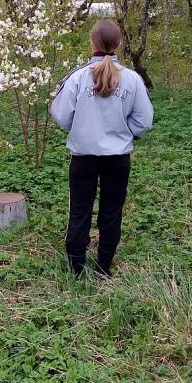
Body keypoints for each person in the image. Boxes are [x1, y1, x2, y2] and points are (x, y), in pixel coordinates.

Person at [50, 19, 153, 278]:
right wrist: (124, 132)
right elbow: (144, 122)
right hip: (117, 159)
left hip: (83, 158)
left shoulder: (77, 78)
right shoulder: (132, 79)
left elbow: (61, 115)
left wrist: (83, 126)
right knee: (111, 211)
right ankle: (103, 268)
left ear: (92, 42)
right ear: (118, 43)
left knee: (80, 211)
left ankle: (77, 271)